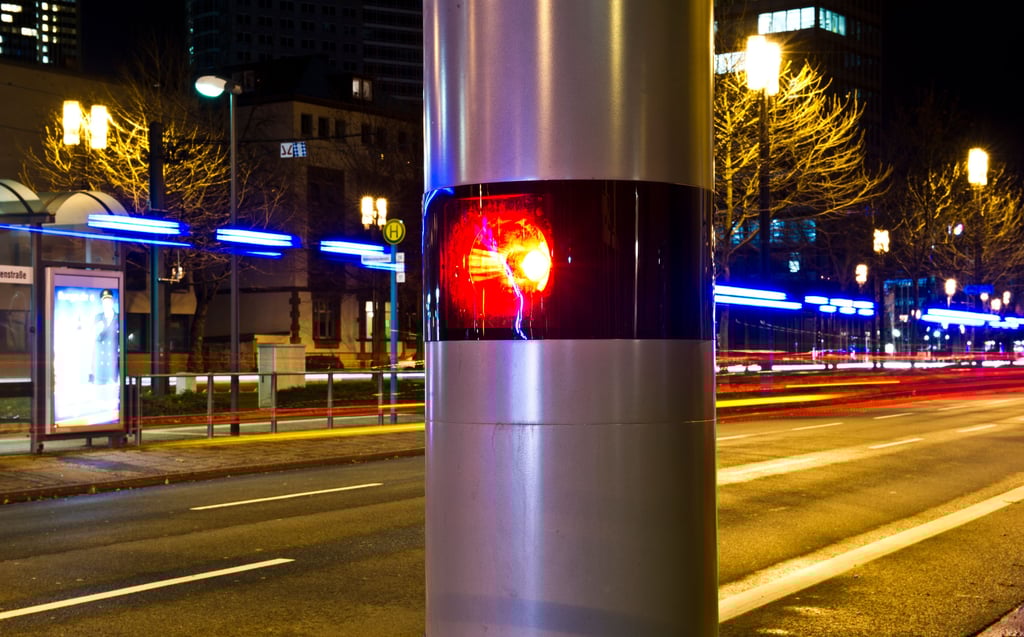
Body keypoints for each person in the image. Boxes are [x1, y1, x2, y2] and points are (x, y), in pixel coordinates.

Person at [92, 288, 119, 385]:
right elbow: (95, 339)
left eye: (109, 301)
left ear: (112, 302)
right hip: (101, 366)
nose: (107, 304)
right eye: (104, 301)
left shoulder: (118, 318)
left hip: (112, 366)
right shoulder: (98, 317)